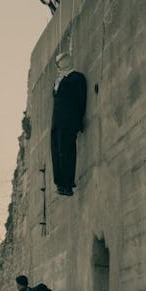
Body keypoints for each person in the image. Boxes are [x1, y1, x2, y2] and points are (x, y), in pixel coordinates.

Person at [51, 52, 87, 196]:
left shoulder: (77, 78)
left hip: (69, 121)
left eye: (63, 60)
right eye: (59, 61)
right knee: (56, 152)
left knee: (67, 152)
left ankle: (67, 183)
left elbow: (81, 100)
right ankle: (60, 183)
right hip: (57, 122)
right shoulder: (58, 80)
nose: (61, 63)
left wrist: (79, 120)